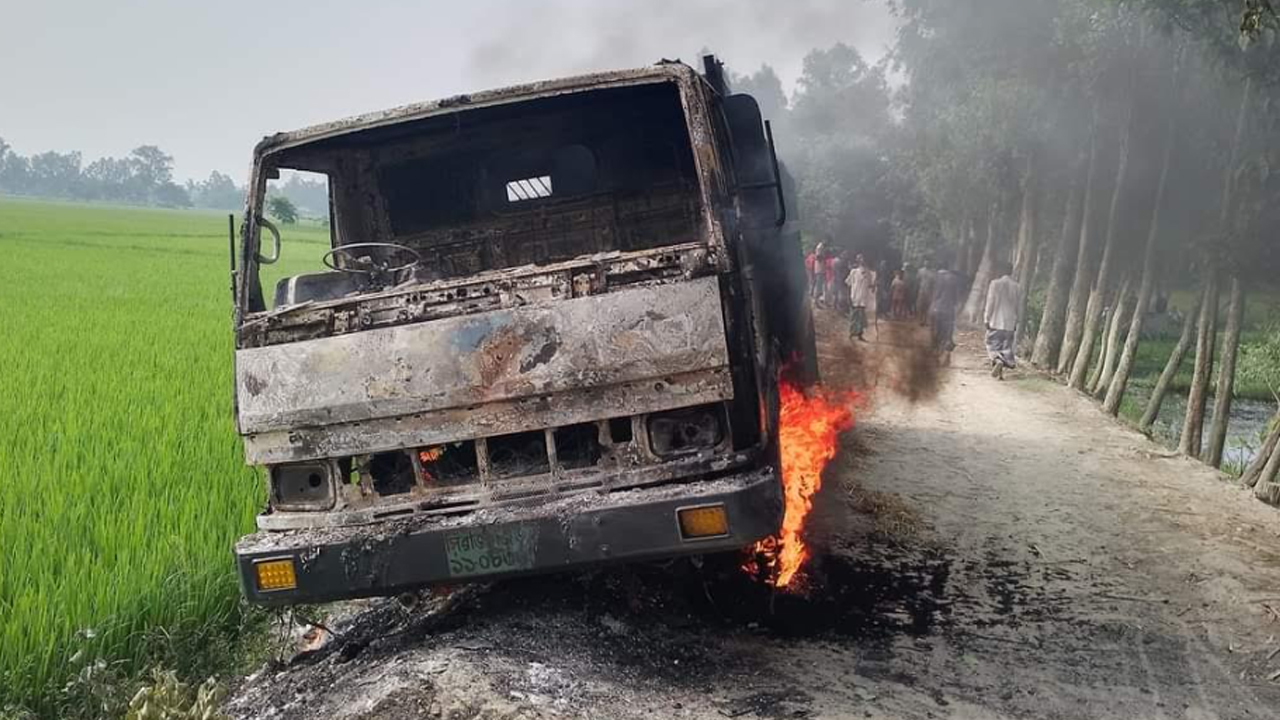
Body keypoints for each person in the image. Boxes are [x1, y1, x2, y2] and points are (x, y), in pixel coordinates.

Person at [984, 262, 1022, 380]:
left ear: (1000, 271)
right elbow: (1018, 306)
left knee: (992, 345)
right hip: (1010, 323)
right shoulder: (1017, 286)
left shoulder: (995, 284)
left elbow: (990, 302)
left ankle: (997, 360)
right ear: (1011, 272)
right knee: (1005, 348)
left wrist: (986, 318)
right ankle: (1000, 374)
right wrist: (1016, 321)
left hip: (996, 321)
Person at [930, 264, 960, 357]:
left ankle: (935, 349)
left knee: (937, 329)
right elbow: (956, 297)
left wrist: (933, 305)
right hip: (949, 309)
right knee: (948, 331)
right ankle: (946, 350)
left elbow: (936, 294)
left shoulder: (940, 278)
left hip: (939, 308)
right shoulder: (955, 279)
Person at [846, 254, 877, 341]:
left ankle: (860, 334)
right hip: (855, 297)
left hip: (863, 298)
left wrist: (874, 286)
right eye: (860, 260)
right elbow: (848, 285)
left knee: (861, 317)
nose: (862, 262)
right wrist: (848, 297)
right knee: (853, 316)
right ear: (857, 261)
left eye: (863, 260)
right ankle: (852, 333)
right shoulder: (854, 272)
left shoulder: (869, 273)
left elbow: (871, 286)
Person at [916, 262, 936, 326]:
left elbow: (934, 283)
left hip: (929, 292)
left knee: (928, 307)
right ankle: (920, 320)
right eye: (925, 262)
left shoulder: (933, 272)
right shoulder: (920, 271)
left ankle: (926, 320)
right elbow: (918, 280)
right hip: (921, 291)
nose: (927, 263)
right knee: (920, 306)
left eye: (928, 262)